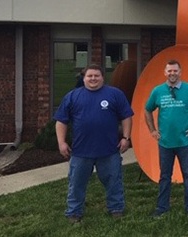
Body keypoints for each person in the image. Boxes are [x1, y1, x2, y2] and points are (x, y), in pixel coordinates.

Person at [54, 64, 134, 223]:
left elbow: (126, 117)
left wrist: (126, 138)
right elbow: (61, 121)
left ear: (103, 77)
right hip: (80, 152)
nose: (93, 79)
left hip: (109, 150)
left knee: (114, 182)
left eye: (96, 76)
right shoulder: (72, 96)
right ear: (84, 78)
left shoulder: (115, 94)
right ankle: (74, 212)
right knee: (76, 184)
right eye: (89, 76)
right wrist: (61, 142)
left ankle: (116, 208)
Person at [145, 59, 188, 217]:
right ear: (165, 73)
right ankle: (162, 208)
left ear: (180, 72)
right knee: (165, 176)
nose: (172, 73)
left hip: (185, 142)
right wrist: (152, 130)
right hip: (165, 143)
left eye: (175, 71)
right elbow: (147, 110)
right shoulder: (157, 91)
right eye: (169, 71)